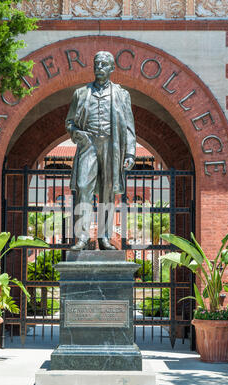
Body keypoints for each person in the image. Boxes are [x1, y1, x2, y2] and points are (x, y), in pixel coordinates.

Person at [65, 50, 136, 250]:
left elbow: (129, 126)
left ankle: (104, 237)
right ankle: (82, 237)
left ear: (112, 68)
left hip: (111, 146)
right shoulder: (81, 93)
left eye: (104, 64)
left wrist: (130, 153)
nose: (99, 68)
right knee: (83, 188)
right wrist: (79, 134)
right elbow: (69, 123)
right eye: (97, 64)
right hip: (88, 146)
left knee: (107, 192)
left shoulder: (122, 94)